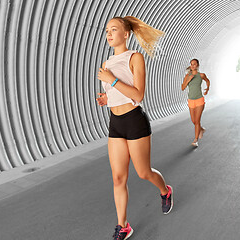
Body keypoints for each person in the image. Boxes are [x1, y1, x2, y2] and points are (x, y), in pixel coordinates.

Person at [96, 16, 173, 240]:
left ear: (126, 34)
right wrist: (105, 98)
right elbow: (116, 93)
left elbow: (138, 95)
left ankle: (165, 191)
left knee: (143, 172)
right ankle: (123, 226)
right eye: (107, 30)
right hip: (115, 123)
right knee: (118, 178)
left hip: (134, 122)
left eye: (114, 29)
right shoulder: (106, 64)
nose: (109, 34)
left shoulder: (135, 57)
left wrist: (111, 81)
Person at [181, 59, 210, 147]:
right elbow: (182, 88)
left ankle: (195, 140)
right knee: (194, 121)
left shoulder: (201, 75)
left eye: (194, 64)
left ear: (197, 65)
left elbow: (207, 81)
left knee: (197, 121)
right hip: (191, 101)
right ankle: (201, 129)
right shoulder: (187, 76)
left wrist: (207, 89)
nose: (193, 66)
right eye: (191, 64)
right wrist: (188, 80)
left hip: (199, 100)